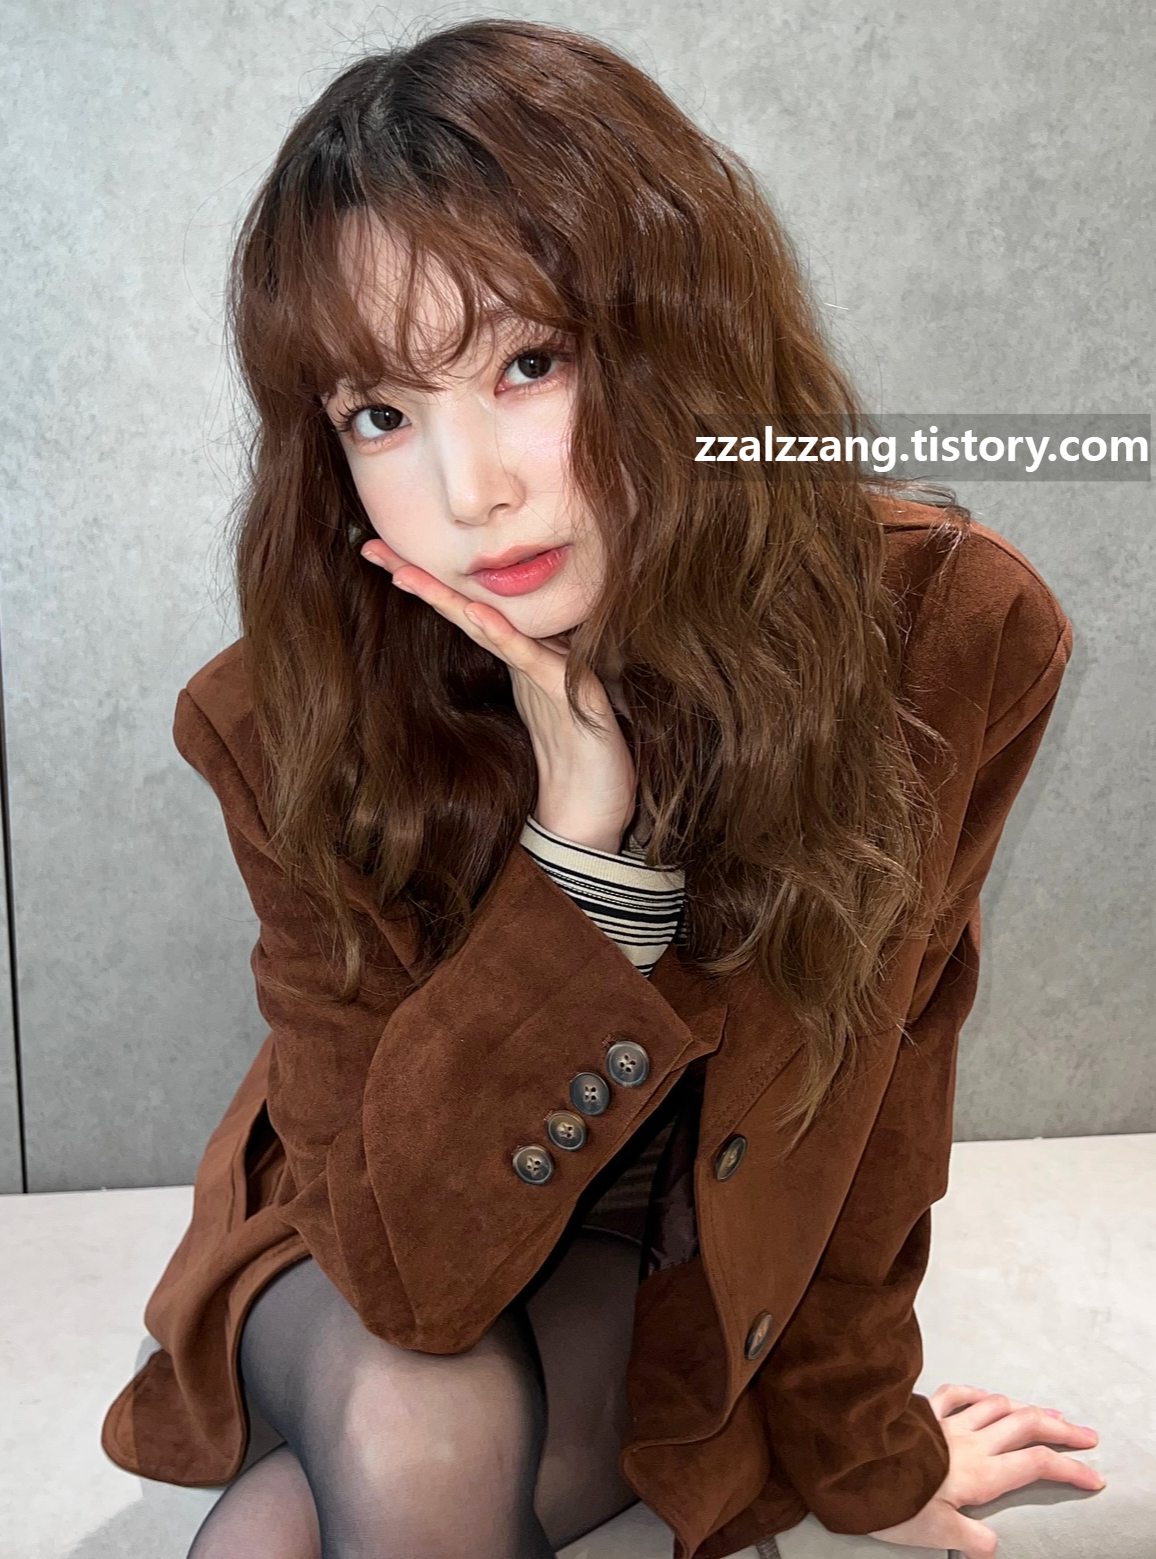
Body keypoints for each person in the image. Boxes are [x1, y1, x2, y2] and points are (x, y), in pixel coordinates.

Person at [100, 18, 1103, 1559]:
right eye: (381, 412)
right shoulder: (285, 712)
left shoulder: (944, 632)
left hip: (655, 1253)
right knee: (408, 1414)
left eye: (529, 363)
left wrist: (867, 1456)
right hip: (373, 1217)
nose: (471, 489)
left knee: (299, 1524)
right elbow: (407, 1274)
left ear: (678, 336)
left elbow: (888, 1077)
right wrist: (583, 853)